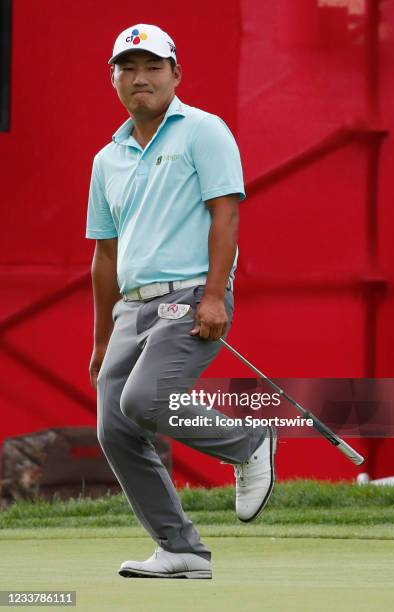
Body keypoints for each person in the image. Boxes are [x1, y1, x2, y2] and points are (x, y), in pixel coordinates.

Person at [85, 23, 277, 580]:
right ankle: (181, 549)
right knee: (114, 428)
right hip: (130, 309)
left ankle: (248, 441)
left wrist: (215, 295)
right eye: (128, 68)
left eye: (152, 67)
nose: (139, 78)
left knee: (143, 402)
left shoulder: (202, 130)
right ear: (114, 79)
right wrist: (101, 337)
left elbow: (226, 213)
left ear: (175, 74)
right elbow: (104, 255)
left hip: (191, 297)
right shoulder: (108, 158)